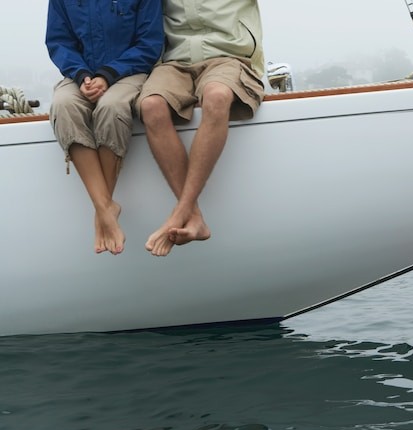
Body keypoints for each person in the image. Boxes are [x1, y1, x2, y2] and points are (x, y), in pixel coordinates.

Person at [138, 0, 265, 257]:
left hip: (231, 57)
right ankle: (195, 218)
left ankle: (181, 212)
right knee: (151, 105)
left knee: (217, 96)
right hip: (175, 63)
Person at [46, 0, 164, 255]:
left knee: (111, 107)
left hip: (128, 73)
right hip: (81, 76)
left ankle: (102, 216)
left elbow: (150, 42)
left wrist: (108, 74)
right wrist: (81, 75)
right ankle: (105, 207)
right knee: (64, 105)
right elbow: (59, 41)